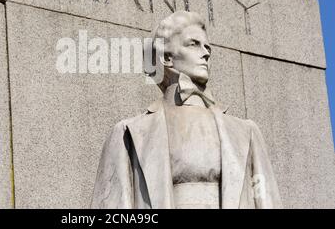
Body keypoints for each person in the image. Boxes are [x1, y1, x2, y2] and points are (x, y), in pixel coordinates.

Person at [91, 11, 282, 209]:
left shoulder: (246, 132)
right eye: (194, 44)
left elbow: (269, 203)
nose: (206, 53)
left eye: (208, 47)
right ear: (166, 57)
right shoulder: (129, 132)